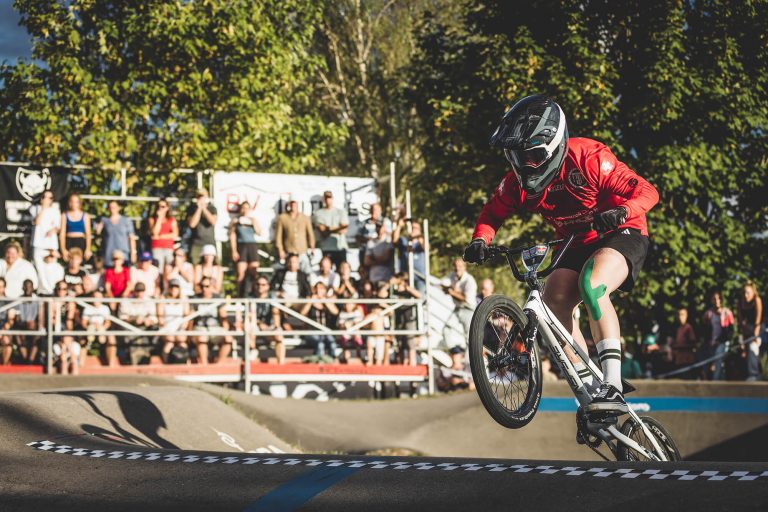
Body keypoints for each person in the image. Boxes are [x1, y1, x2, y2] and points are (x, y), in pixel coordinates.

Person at [463, 94, 659, 415]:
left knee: (592, 285)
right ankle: (590, 384)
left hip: (622, 232)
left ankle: (613, 384)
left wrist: (623, 210)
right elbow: (493, 211)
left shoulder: (590, 157)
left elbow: (648, 191)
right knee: (554, 302)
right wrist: (481, 239)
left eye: (531, 156)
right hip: (575, 240)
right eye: (517, 156)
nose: (524, 165)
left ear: (552, 146)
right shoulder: (518, 182)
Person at [441, 258, 477, 363]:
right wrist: (447, 288)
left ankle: (470, 362)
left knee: (469, 336)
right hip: (457, 308)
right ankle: (456, 354)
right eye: (456, 266)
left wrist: (452, 292)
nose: (457, 268)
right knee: (446, 329)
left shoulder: (470, 281)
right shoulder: (452, 276)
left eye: (460, 266)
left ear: (464, 267)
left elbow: (467, 299)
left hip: (468, 309)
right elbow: (443, 284)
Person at [192, 276, 232, 365]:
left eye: (207, 286)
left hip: (215, 328)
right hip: (199, 328)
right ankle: (204, 365)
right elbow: (190, 318)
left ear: (212, 287)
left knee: (228, 338)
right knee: (202, 337)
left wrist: (226, 329)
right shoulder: (195, 298)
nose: (204, 289)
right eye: (202, 286)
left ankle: (219, 365)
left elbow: (223, 316)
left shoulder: (218, 298)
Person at [300, 281, 339, 362]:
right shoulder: (310, 301)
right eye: (316, 288)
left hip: (326, 331)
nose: (318, 291)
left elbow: (335, 312)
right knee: (320, 343)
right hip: (312, 331)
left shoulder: (327, 301)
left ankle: (332, 362)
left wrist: (324, 300)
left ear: (325, 290)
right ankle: (319, 365)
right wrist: (311, 301)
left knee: (332, 343)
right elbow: (302, 313)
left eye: (321, 288)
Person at [229, 201, 262, 296]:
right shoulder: (236, 220)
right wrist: (234, 250)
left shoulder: (253, 220)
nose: (245, 210)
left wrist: (253, 222)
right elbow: (232, 236)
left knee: (254, 272)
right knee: (241, 273)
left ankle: (254, 294)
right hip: (241, 246)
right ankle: (240, 296)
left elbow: (259, 232)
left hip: (252, 246)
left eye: (247, 208)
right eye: (243, 208)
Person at [250, 276, 285, 364]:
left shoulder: (272, 297)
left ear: (268, 286)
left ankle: (281, 365)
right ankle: (252, 351)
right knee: (249, 327)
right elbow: (250, 315)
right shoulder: (251, 297)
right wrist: (259, 324)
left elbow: (275, 312)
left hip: (269, 327)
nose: (260, 286)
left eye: (263, 284)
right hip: (255, 327)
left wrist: (276, 327)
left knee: (279, 335)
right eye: (258, 284)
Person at [702, 290, 734, 380]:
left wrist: (725, 340)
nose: (716, 301)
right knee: (708, 362)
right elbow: (704, 330)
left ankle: (715, 382)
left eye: (719, 299)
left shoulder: (727, 313)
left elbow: (731, 330)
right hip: (710, 343)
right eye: (714, 299)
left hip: (722, 342)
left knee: (718, 360)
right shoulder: (708, 314)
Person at [391, 272, 422, 366]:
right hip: (398, 319)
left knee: (410, 342)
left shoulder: (409, 289)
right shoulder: (393, 290)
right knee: (399, 343)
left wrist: (407, 287)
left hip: (409, 318)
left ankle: (412, 363)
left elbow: (419, 295)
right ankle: (402, 363)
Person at [275, 199, 315, 273]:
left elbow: (310, 234)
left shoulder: (304, 218)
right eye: (291, 205)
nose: (293, 207)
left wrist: (312, 247)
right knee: (288, 271)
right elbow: (278, 236)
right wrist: (280, 250)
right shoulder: (283, 218)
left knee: (306, 271)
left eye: (295, 205)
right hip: (288, 250)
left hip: (302, 250)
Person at [157, 279, 191, 364]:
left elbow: (186, 316)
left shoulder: (184, 299)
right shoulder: (162, 298)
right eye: (171, 287)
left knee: (182, 344)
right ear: (168, 288)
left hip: (180, 328)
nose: (173, 289)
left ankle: (187, 366)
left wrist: (181, 328)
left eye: (176, 287)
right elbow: (160, 316)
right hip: (166, 328)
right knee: (169, 343)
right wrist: (168, 329)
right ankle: (167, 365)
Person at [312, 190, 349, 267]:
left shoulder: (340, 212)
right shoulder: (318, 213)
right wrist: (338, 228)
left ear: (332, 198)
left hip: (340, 247)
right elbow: (323, 232)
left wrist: (328, 228)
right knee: (326, 270)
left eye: (329, 197)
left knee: (342, 269)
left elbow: (344, 230)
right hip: (327, 247)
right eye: (326, 197)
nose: (328, 199)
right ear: (323, 199)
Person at [80, 289, 116, 367]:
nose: (96, 299)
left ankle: (111, 365)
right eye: (94, 297)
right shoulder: (87, 308)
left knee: (111, 339)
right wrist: (90, 326)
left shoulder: (105, 308)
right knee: (83, 340)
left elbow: (108, 322)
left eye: (98, 297)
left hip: (101, 328)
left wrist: (101, 327)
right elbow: (83, 323)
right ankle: (80, 365)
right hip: (90, 329)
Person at [738, 281, 763, 381]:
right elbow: (740, 321)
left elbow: (758, 318)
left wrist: (755, 335)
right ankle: (746, 374)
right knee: (744, 350)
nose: (746, 295)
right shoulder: (740, 302)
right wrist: (742, 339)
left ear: (753, 292)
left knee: (753, 347)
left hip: (759, 328)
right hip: (746, 329)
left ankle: (754, 374)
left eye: (748, 292)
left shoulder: (757, 300)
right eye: (744, 292)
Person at [51, 280, 77, 374]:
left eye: (64, 289)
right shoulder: (51, 302)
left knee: (66, 339)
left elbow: (69, 322)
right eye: (59, 289)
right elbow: (51, 322)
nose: (61, 291)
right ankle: (73, 362)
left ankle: (65, 363)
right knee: (64, 340)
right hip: (54, 331)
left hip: (66, 332)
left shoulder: (70, 303)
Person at [393, 218, 426, 293]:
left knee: (420, 298)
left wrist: (416, 237)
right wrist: (399, 226)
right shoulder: (403, 241)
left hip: (420, 278)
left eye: (415, 228)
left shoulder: (420, 243)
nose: (413, 230)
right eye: (412, 228)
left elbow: (426, 247)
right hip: (405, 277)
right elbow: (394, 241)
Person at [30, 189, 60, 272]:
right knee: (39, 269)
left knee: (50, 269)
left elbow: (58, 227)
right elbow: (36, 222)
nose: (46, 199)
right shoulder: (34, 209)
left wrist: (52, 230)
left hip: (50, 245)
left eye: (49, 198)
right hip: (38, 244)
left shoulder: (56, 210)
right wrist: (43, 208)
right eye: (44, 197)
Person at [185, 189, 218, 264]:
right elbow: (192, 224)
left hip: (210, 242)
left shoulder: (212, 208)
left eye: (203, 196)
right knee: (196, 265)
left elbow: (213, 221)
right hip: (196, 243)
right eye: (199, 197)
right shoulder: (191, 209)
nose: (201, 199)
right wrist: (199, 209)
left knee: (212, 265)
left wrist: (204, 209)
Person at [15, 279, 43, 364]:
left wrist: (35, 326)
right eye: (25, 287)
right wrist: (25, 324)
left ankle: (30, 360)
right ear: (23, 288)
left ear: (32, 288)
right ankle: (26, 360)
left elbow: (41, 319)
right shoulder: (18, 300)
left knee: (38, 335)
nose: (27, 289)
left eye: (29, 287)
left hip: (35, 327)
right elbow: (17, 319)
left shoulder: (38, 300)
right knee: (17, 335)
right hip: (22, 327)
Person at [59, 193, 93, 263]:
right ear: (69, 203)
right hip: (68, 242)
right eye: (72, 201)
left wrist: (88, 249)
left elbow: (88, 234)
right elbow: (62, 233)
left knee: (79, 264)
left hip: (81, 243)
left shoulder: (85, 216)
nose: (74, 204)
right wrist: (63, 249)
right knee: (69, 264)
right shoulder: (64, 215)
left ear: (79, 203)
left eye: (76, 202)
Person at [148, 197, 179, 273]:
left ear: (167, 208)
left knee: (169, 268)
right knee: (158, 270)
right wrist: (159, 218)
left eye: (163, 206)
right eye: (159, 206)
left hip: (168, 247)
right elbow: (155, 232)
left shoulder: (171, 219)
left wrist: (161, 236)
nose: (160, 208)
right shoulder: (152, 219)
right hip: (157, 247)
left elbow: (175, 234)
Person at [670, 308, 698, 375]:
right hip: (679, 360)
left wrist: (678, 346)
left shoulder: (688, 328)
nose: (680, 317)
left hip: (687, 359)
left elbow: (693, 343)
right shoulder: (678, 328)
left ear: (686, 316)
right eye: (679, 315)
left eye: (682, 315)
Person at [0, 278, 18, 364]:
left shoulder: (9, 302)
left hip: (4, 330)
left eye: (1, 287)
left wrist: (2, 331)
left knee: (7, 343)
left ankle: (3, 368)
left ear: (4, 288)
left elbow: (10, 321)